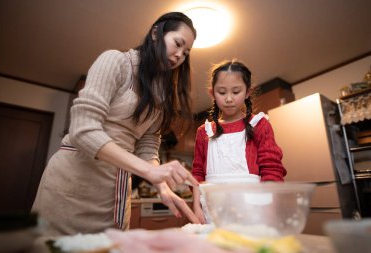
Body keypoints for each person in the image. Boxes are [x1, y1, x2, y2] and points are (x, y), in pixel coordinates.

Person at [32, 11, 199, 235]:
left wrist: (162, 186)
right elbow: (83, 130)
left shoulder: (160, 94)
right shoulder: (116, 61)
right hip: (73, 181)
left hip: (114, 190)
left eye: (186, 53)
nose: (179, 55)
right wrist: (149, 172)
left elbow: (148, 145)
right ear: (155, 34)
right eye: (177, 44)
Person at [191, 60, 287, 224]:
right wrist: (196, 207)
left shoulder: (259, 125)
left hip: (254, 210)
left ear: (248, 92)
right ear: (212, 93)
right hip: (212, 212)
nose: (229, 99)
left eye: (236, 91)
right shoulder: (204, 132)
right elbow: (197, 174)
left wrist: (270, 207)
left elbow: (272, 169)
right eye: (221, 92)